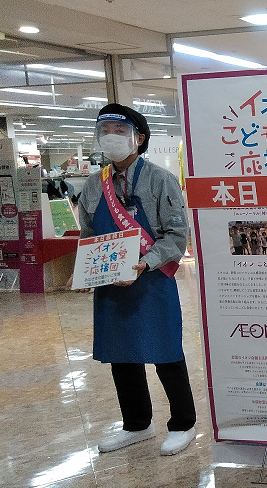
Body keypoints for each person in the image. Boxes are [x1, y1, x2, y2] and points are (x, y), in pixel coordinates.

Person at [70, 103, 196, 456]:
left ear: (139, 138)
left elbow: (176, 237)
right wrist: (84, 270)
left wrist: (145, 262)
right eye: (105, 131)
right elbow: (89, 235)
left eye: (120, 131)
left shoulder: (160, 179)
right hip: (112, 285)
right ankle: (137, 424)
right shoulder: (93, 185)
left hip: (152, 281)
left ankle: (183, 424)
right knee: (121, 354)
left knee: (166, 351)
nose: (111, 137)